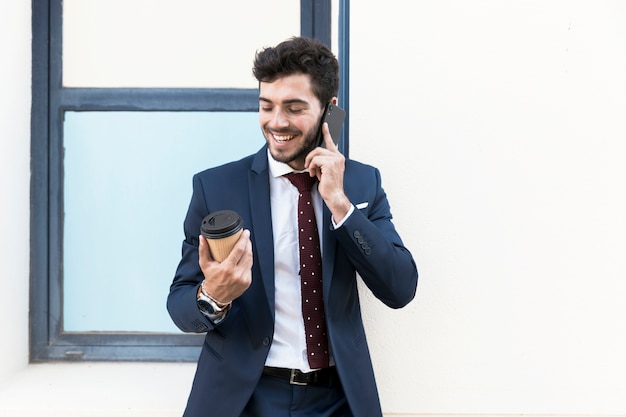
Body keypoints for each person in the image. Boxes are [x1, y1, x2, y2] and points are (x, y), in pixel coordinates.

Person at [167, 36, 418, 417]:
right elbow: (180, 303)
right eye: (266, 106)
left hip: (337, 399)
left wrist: (340, 205)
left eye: (294, 108)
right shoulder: (216, 187)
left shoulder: (362, 184)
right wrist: (213, 297)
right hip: (244, 398)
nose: (277, 122)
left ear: (329, 111)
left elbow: (400, 287)